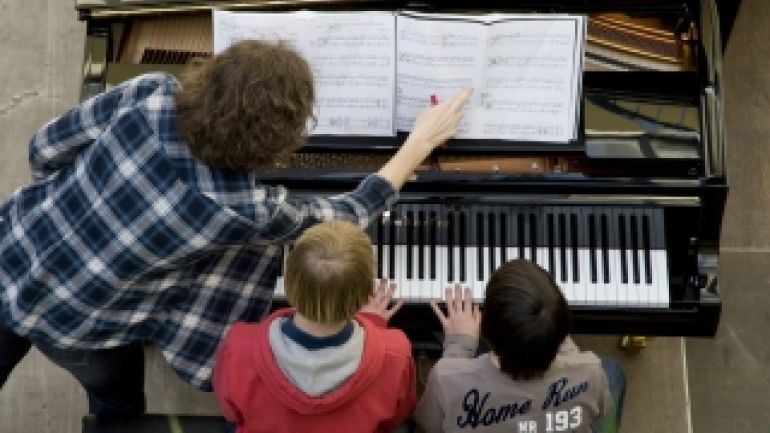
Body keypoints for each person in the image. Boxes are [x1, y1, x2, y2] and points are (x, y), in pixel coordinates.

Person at [0, 39, 471, 414]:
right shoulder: (244, 206)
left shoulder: (150, 93)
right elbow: (347, 214)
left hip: (12, 247)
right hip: (82, 326)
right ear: (278, 146)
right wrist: (418, 143)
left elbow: (43, 152)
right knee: (115, 403)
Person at [213, 220, 413, 433]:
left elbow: (230, 410)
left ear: (288, 284)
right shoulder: (396, 353)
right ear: (365, 295)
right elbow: (396, 417)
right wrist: (374, 326)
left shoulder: (239, 345)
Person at [414, 260, 626, 433]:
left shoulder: (447, 378)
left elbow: (428, 426)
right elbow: (600, 409)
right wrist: (547, 329)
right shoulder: (591, 370)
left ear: (485, 331)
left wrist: (459, 345)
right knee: (612, 371)